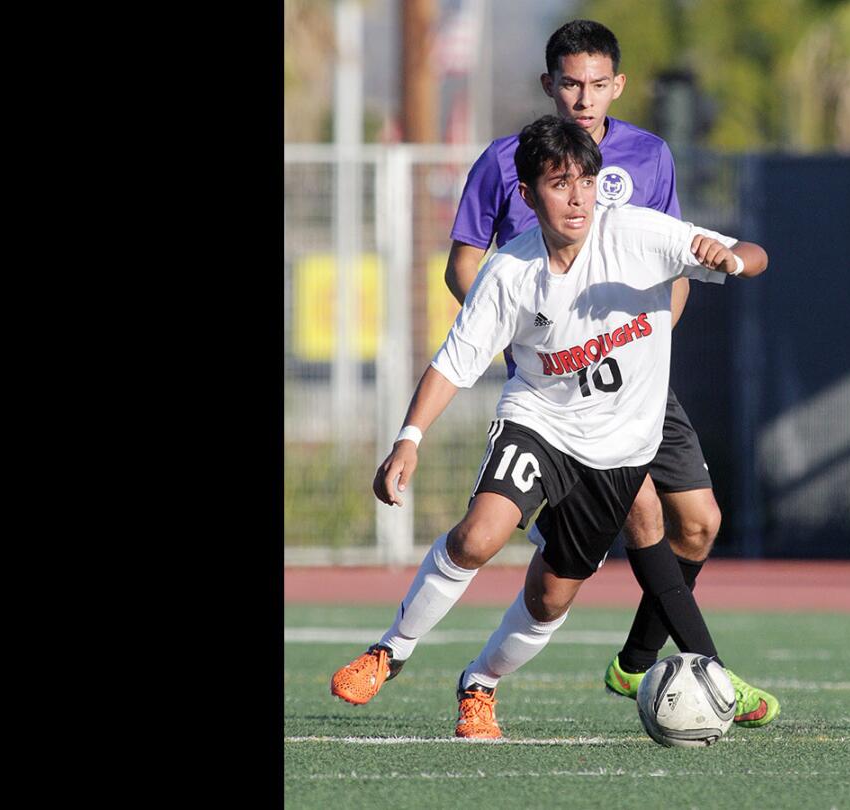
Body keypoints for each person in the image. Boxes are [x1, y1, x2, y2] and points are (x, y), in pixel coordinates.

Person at [331, 116, 768, 739]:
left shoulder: (639, 235)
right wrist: (409, 439)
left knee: (549, 599)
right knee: (480, 536)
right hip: (539, 424)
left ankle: (479, 684)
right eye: (560, 185)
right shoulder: (510, 271)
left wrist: (731, 258)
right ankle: (390, 650)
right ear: (529, 195)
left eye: (587, 182)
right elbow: (454, 361)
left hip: (619, 451)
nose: (578, 198)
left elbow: (754, 255)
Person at [441, 19, 778, 727]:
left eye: (597, 84)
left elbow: (676, 257)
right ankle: (711, 673)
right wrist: (524, 326)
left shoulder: (650, 156)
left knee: (699, 524)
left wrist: (644, 339)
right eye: (571, 82)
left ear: (617, 85)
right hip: (557, 392)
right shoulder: (505, 160)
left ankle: (634, 666)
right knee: (630, 522)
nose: (584, 98)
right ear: (549, 86)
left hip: (638, 375)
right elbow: (466, 266)